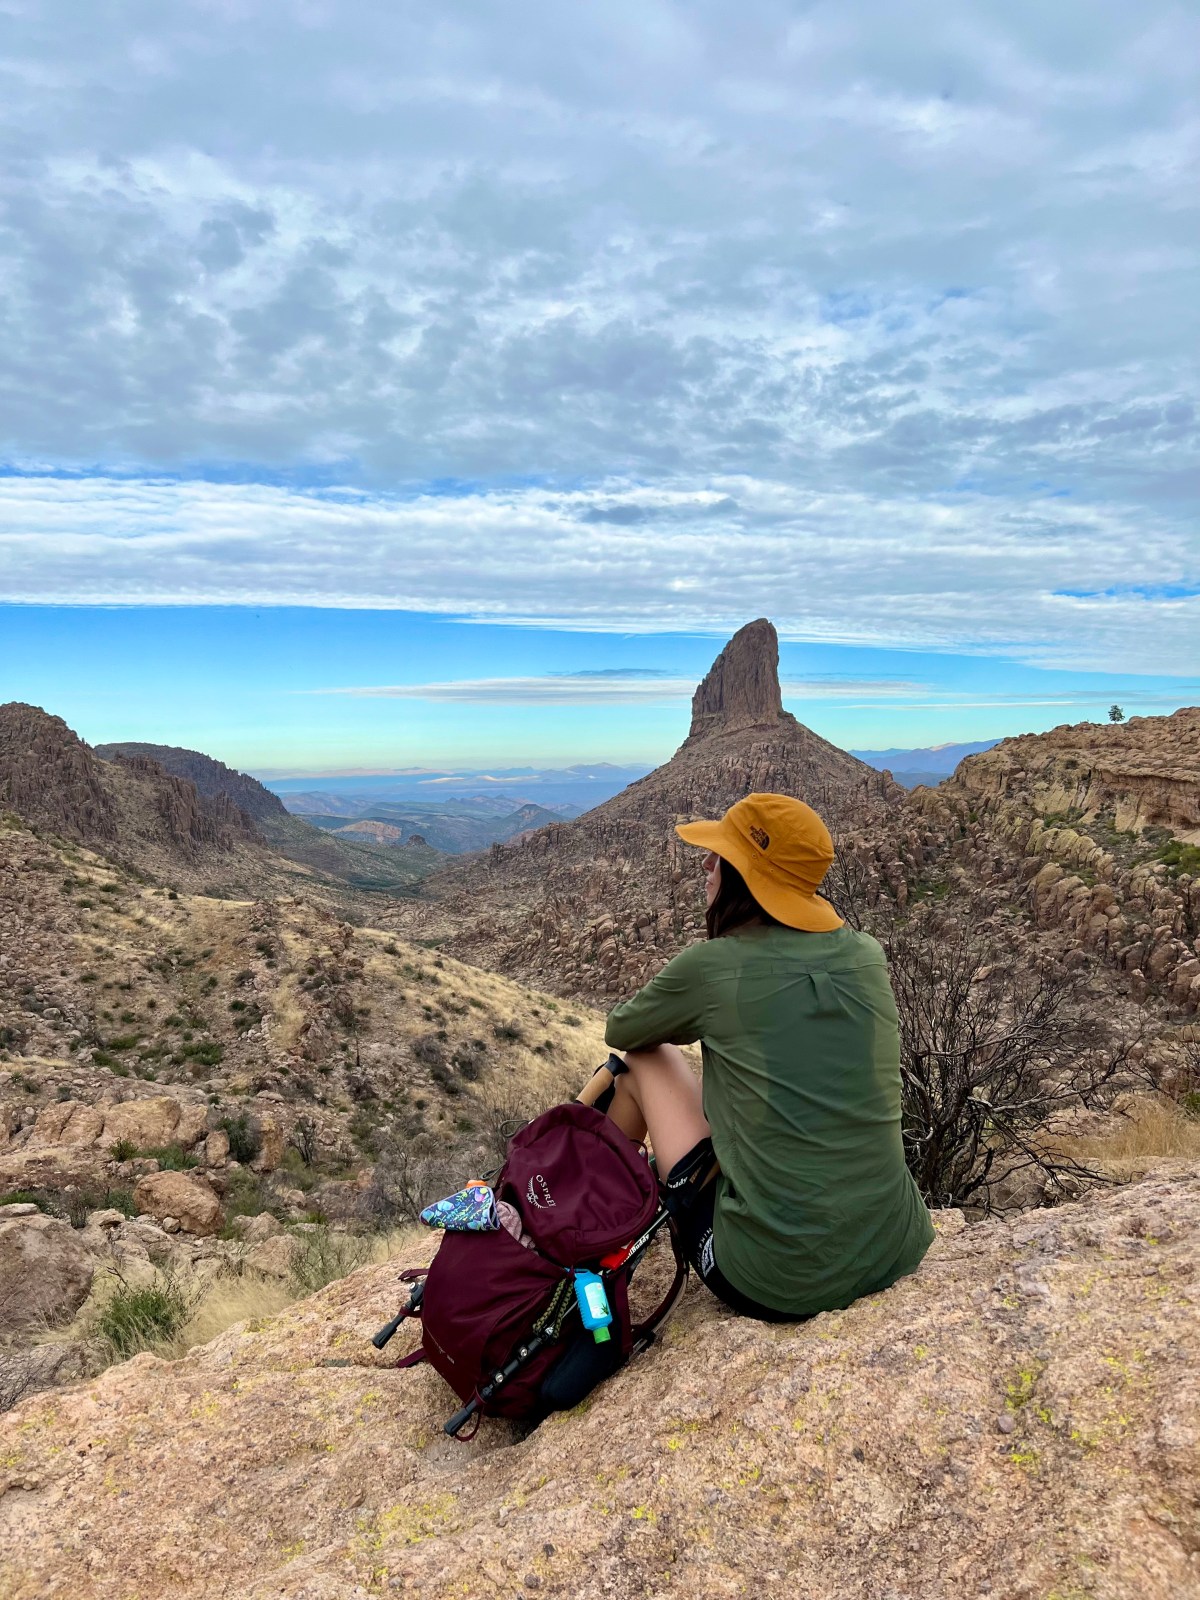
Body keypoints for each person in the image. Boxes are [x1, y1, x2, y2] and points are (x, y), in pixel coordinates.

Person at [597, 791, 934, 1322]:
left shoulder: (713, 967)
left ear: (748, 878)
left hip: (774, 1278)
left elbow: (623, 1028)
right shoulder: (867, 954)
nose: (707, 863)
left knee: (641, 1060)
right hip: (895, 1246)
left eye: (722, 855)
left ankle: (590, 1229)